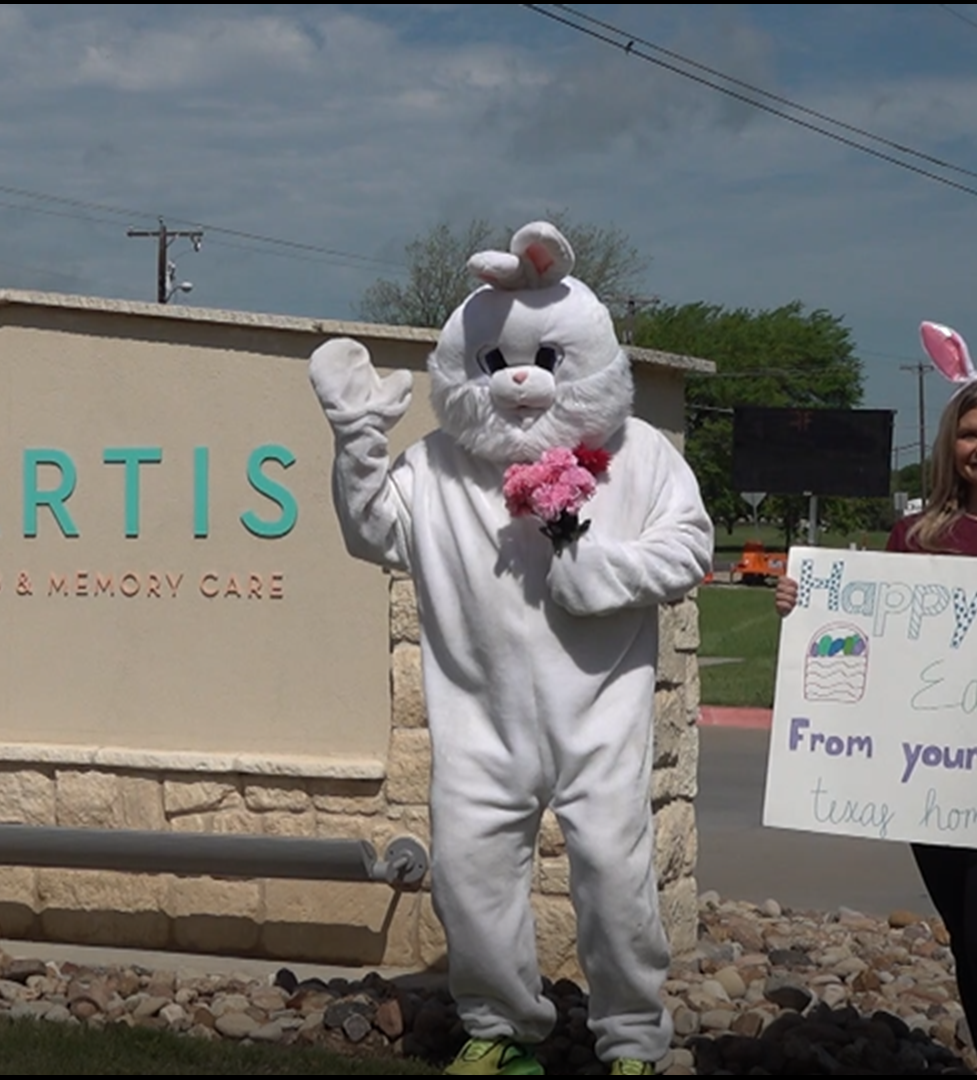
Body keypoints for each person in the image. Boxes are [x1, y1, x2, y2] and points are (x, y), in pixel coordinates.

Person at [308, 222, 712, 1076]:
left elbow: (689, 551)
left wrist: (588, 563)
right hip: (478, 718)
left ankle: (633, 1039)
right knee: (471, 880)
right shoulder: (439, 466)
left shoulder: (637, 458)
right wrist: (356, 447)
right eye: (494, 363)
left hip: (599, 713)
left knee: (615, 879)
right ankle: (500, 1026)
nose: (521, 379)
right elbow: (375, 532)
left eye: (549, 361)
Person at [774, 305, 977, 1076]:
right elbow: (872, 636)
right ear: (951, 445)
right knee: (968, 939)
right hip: (930, 778)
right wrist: (806, 603)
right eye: (970, 432)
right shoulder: (913, 540)